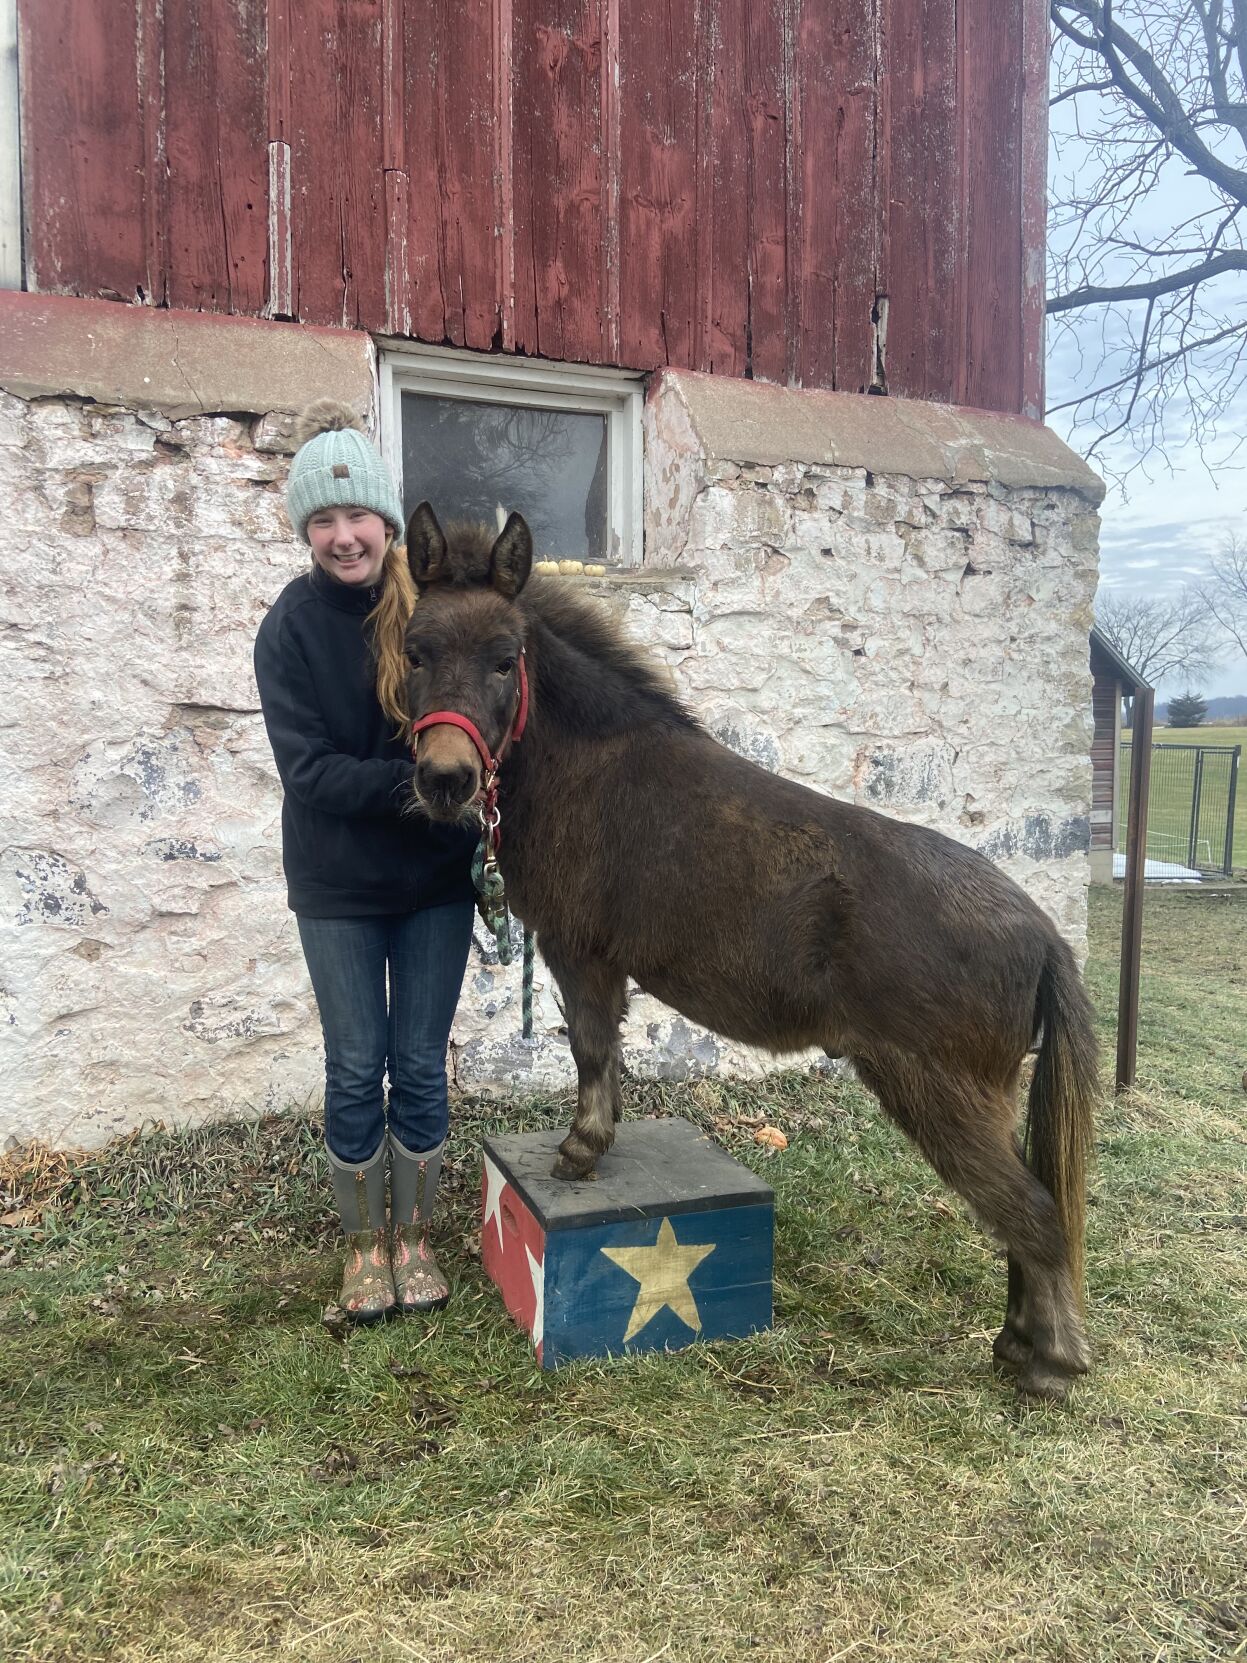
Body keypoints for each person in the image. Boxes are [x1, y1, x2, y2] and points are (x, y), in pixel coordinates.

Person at [253, 400, 477, 1323]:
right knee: (355, 1066)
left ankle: (414, 1237)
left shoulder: (433, 619)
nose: (344, 538)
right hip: (337, 885)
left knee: (419, 1065)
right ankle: (361, 1248)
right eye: (323, 521)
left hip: (434, 882)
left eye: (358, 518)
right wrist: (421, 786)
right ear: (307, 530)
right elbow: (308, 773)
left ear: (387, 520)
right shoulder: (288, 630)